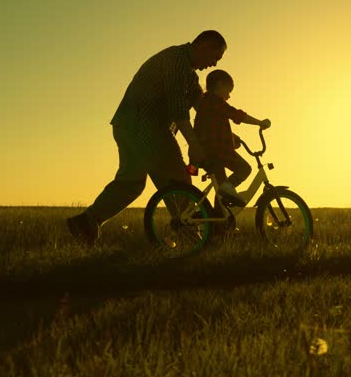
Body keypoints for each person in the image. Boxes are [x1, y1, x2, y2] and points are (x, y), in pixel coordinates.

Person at [67, 30, 227, 245]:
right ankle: (192, 241)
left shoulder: (187, 72)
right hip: (146, 126)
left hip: (127, 125)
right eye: (214, 57)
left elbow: (202, 106)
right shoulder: (177, 63)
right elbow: (180, 112)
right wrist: (195, 145)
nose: (214, 64)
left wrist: (224, 131)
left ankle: (86, 222)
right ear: (204, 46)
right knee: (177, 178)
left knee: (131, 182)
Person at [192, 69, 270, 207]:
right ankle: (227, 191)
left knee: (223, 187)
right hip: (216, 151)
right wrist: (259, 122)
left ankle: (222, 205)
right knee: (244, 169)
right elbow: (236, 115)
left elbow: (212, 127)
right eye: (228, 91)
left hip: (207, 151)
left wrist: (233, 138)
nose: (228, 96)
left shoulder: (206, 103)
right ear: (220, 85)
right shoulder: (215, 101)